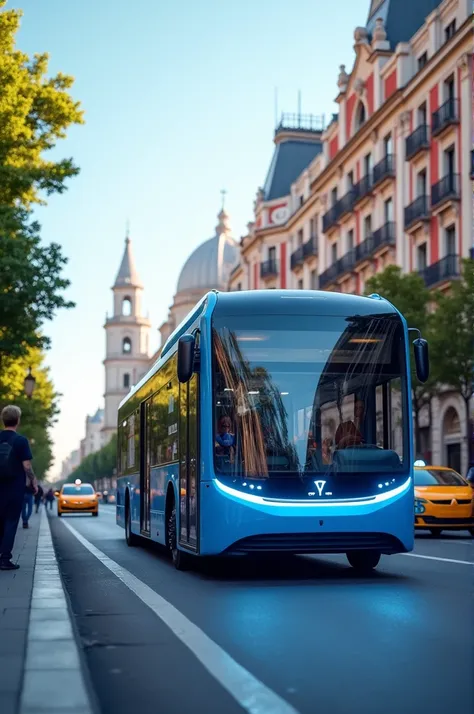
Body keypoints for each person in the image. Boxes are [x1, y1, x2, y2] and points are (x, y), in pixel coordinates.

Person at [0, 405, 37, 570]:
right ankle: (5, 558)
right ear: (18, 420)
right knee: (11, 522)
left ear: (3, 420)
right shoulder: (21, 441)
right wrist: (33, 482)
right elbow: (27, 466)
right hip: (14, 488)